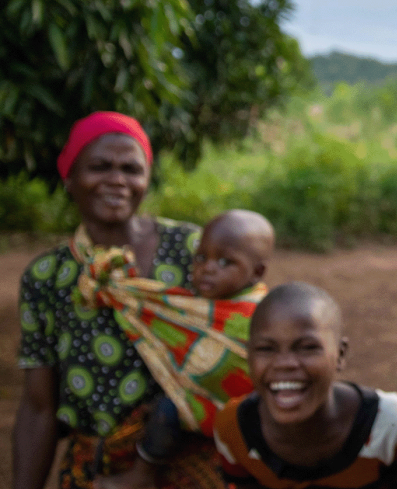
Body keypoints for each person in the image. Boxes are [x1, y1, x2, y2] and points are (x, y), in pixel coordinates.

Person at [13, 112, 222, 489]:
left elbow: (241, 335)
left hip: (192, 461)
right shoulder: (47, 276)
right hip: (98, 470)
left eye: (131, 168)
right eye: (100, 167)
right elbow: (39, 405)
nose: (118, 180)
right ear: (69, 177)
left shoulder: (194, 251)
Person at [97, 209, 275, 489]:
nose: (207, 268)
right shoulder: (189, 309)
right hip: (199, 404)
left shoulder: (263, 313)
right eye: (201, 257)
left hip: (252, 414)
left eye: (225, 262)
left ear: (257, 272)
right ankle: (143, 475)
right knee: (165, 409)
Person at [214, 282, 397, 489]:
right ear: (248, 356)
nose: (285, 364)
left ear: (340, 354)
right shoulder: (234, 429)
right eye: (266, 349)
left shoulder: (394, 428)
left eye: (307, 348)